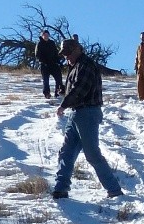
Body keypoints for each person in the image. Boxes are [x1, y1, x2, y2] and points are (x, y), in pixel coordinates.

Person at [52, 39, 123, 200]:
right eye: (64, 54)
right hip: (76, 113)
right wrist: (64, 90)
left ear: (77, 50)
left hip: (88, 114)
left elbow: (80, 90)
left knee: (92, 154)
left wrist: (64, 104)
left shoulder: (86, 65)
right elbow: (74, 88)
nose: (67, 57)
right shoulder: (75, 66)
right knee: (66, 152)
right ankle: (60, 189)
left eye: (68, 53)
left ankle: (114, 190)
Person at [35, 30, 65, 99]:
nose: (46, 36)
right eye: (44, 35)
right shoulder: (39, 43)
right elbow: (37, 55)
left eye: (47, 35)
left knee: (58, 79)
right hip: (44, 65)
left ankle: (58, 93)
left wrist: (59, 62)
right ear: (42, 36)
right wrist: (43, 62)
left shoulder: (52, 43)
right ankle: (47, 93)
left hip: (53, 64)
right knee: (46, 80)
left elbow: (55, 53)